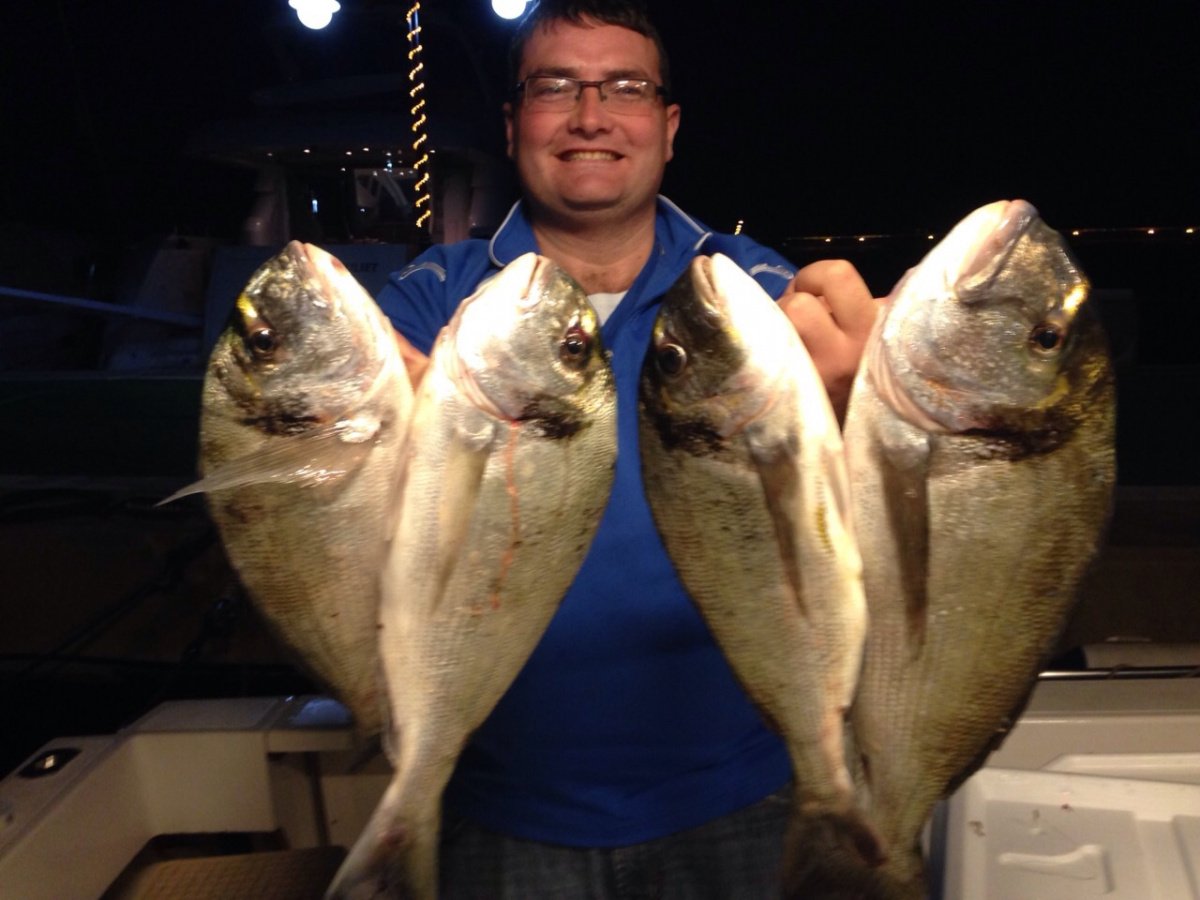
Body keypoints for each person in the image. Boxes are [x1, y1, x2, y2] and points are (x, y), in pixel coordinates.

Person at [375, 1, 878, 894]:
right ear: (513, 123)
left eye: (627, 88)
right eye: (555, 86)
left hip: (747, 792)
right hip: (497, 801)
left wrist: (859, 402)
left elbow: (861, 510)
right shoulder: (427, 302)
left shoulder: (750, 294)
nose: (591, 115)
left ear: (668, 127)